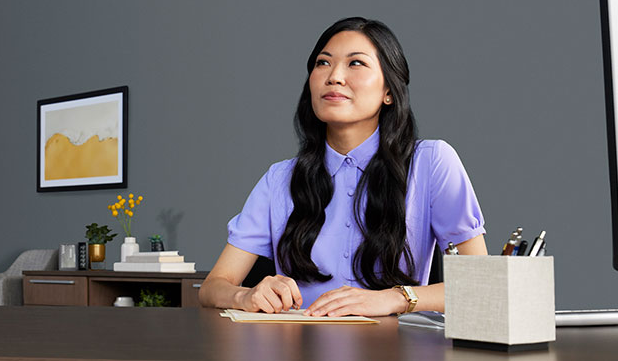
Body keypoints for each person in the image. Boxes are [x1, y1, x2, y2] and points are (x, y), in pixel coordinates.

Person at [198, 17, 488, 317]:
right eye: (323, 63)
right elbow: (213, 287)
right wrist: (246, 295)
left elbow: (481, 284)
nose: (334, 76)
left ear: (389, 90)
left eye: (356, 64)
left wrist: (393, 298)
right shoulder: (280, 180)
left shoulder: (432, 162)